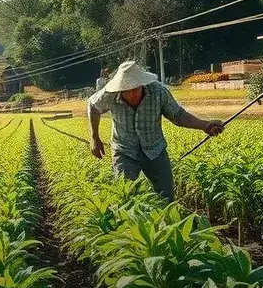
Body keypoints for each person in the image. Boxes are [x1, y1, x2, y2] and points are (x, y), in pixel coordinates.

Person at [88, 60, 224, 203]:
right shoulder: (109, 95)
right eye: (127, 91)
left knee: (166, 198)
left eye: (135, 89)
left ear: (142, 84)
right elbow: (93, 106)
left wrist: (205, 125)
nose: (132, 94)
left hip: (155, 149)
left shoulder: (158, 92)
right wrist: (94, 137)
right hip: (124, 151)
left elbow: (178, 116)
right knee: (125, 198)